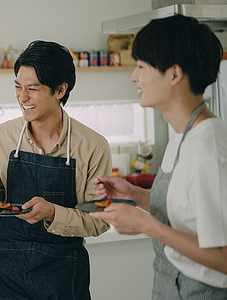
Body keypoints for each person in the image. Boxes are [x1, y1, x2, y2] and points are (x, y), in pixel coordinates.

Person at [90, 15, 227, 298]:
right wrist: (136, 196)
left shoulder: (208, 147)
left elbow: (223, 256)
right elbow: (188, 211)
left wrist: (146, 225)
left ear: (174, 74)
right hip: (169, 285)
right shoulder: (182, 134)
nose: (133, 76)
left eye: (141, 66)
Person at [0, 40, 112, 299]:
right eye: (17, 87)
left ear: (60, 90)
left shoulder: (93, 146)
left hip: (63, 272)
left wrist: (53, 213)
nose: (22, 97)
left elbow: (99, 221)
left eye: (32, 89)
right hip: (6, 269)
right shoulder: (1, 137)